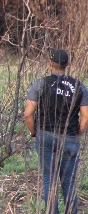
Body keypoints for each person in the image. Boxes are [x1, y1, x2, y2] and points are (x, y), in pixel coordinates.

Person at [24, 49, 88, 214]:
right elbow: (85, 116)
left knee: (49, 180)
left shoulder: (41, 84)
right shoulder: (79, 86)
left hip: (46, 136)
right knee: (69, 182)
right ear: (67, 65)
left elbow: (28, 114)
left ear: (50, 64)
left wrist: (34, 133)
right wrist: (78, 133)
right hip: (70, 138)